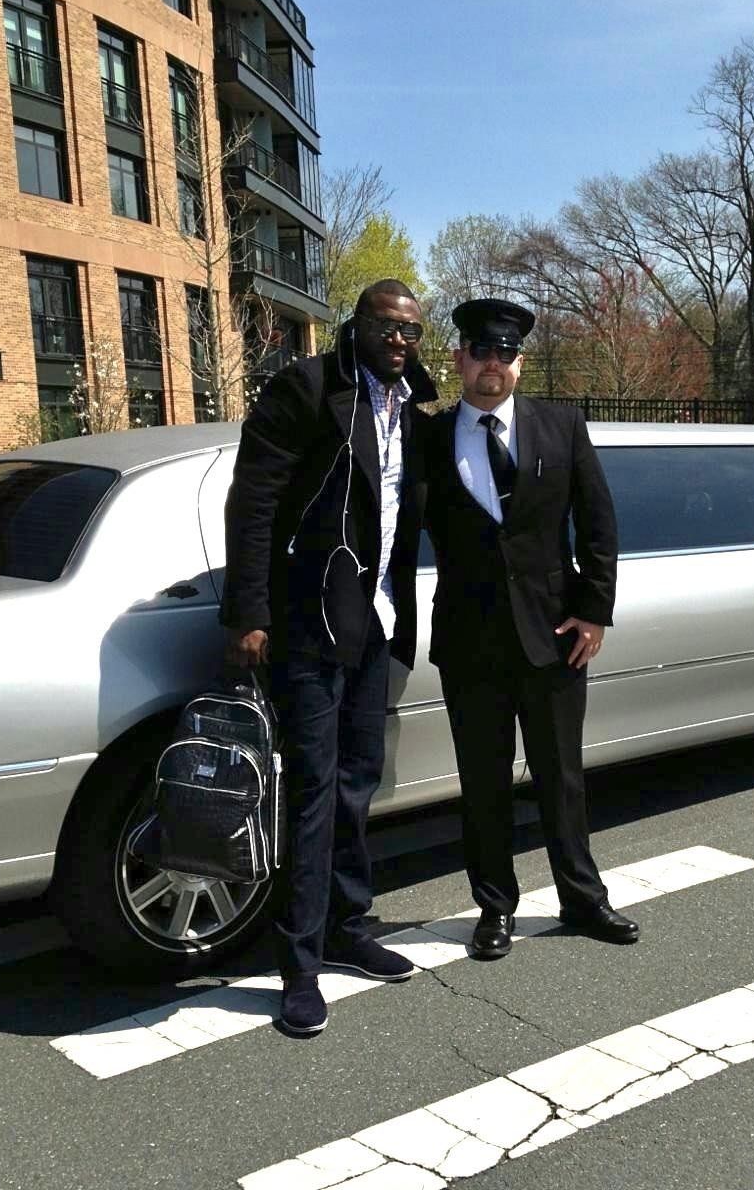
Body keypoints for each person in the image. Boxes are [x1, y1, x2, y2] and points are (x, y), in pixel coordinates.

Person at [221, 279, 437, 1035]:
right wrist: (248, 611)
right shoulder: (306, 389)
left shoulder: (412, 406)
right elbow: (252, 502)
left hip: (374, 621)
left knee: (357, 783)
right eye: (389, 326)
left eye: (413, 329)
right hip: (309, 624)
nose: (401, 340)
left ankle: (349, 928)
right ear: (358, 323)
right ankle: (299, 967)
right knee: (312, 794)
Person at [421, 297, 639, 960]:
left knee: (560, 776)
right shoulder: (426, 436)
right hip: (469, 641)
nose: (494, 365)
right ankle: (494, 908)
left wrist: (596, 610)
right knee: (483, 783)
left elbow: (598, 524)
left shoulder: (561, 425)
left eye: (506, 354)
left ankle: (582, 897)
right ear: (459, 358)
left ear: (521, 361)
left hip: (554, 636)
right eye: (481, 352)